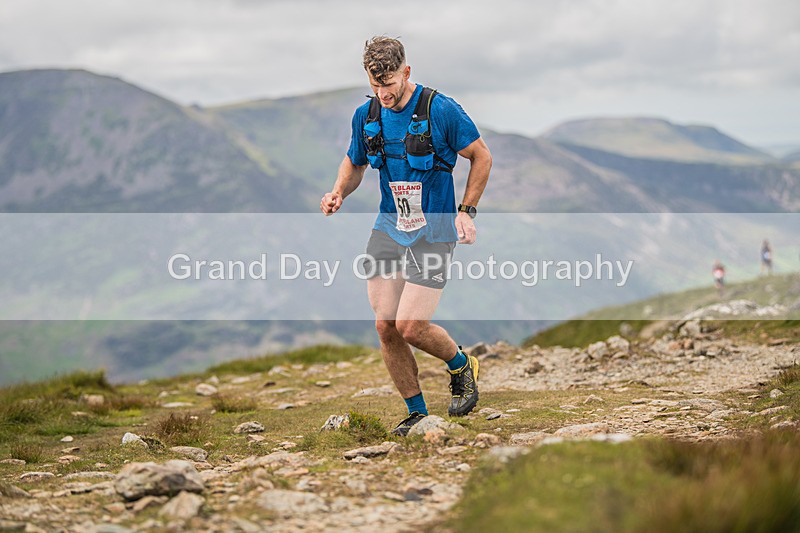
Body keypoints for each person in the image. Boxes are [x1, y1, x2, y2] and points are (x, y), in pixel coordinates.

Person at [320, 36, 492, 436]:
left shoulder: (441, 110)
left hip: (434, 230)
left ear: (406, 72)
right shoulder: (366, 114)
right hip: (388, 227)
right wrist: (337, 192)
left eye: (391, 85)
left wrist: (467, 211)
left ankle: (461, 365)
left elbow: (481, 156)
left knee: (411, 325)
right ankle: (416, 411)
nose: (384, 93)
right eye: (376, 85)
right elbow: (355, 160)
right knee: (386, 326)